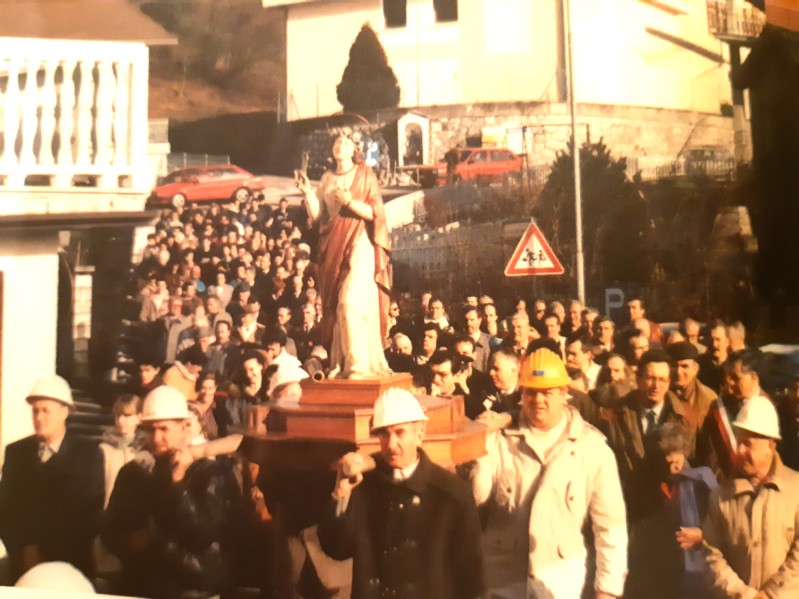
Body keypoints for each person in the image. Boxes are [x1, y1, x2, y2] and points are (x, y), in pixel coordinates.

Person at [470, 348, 628, 598]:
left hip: (559, 583)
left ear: (564, 394)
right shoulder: (499, 439)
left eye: (547, 393)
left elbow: (611, 526)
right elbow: (476, 497)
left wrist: (607, 590)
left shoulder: (592, 447)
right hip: (503, 583)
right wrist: (478, 442)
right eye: (531, 392)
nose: (538, 400)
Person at [318, 387, 486, 598]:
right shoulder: (363, 487)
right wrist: (340, 493)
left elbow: (471, 577)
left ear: (420, 434)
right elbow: (336, 548)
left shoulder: (451, 494)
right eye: (384, 434)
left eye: (400, 433)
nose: (391, 445)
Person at [101, 386, 237, 598]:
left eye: (164, 430)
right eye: (150, 430)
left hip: (191, 587)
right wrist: (128, 541)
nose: (156, 438)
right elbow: (110, 528)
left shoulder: (208, 472)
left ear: (183, 428)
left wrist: (177, 484)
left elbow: (202, 535)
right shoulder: (133, 472)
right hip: (140, 584)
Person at [296, 127, 392, 379]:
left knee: (351, 301)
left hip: (360, 240)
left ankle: (360, 364)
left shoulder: (364, 174)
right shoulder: (326, 178)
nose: (339, 145)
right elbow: (318, 217)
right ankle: (345, 362)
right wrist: (307, 192)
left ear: (354, 149)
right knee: (339, 306)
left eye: (345, 142)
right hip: (333, 243)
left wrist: (350, 202)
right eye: (336, 142)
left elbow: (376, 213)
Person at [0, 375, 104, 582]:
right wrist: (25, 548)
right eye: (35, 411)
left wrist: (46, 554)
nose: (39, 417)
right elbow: (6, 509)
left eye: (46, 410)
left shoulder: (88, 453)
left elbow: (88, 513)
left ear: (64, 411)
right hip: (24, 567)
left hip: (71, 567)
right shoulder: (16, 452)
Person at [702, 396, 799, 598]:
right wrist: (746, 595)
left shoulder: (795, 489)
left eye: (748, 444)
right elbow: (711, 555)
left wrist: (771, 593)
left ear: (771, 446)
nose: (739, 451)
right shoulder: (720, 496)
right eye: (738, 443)